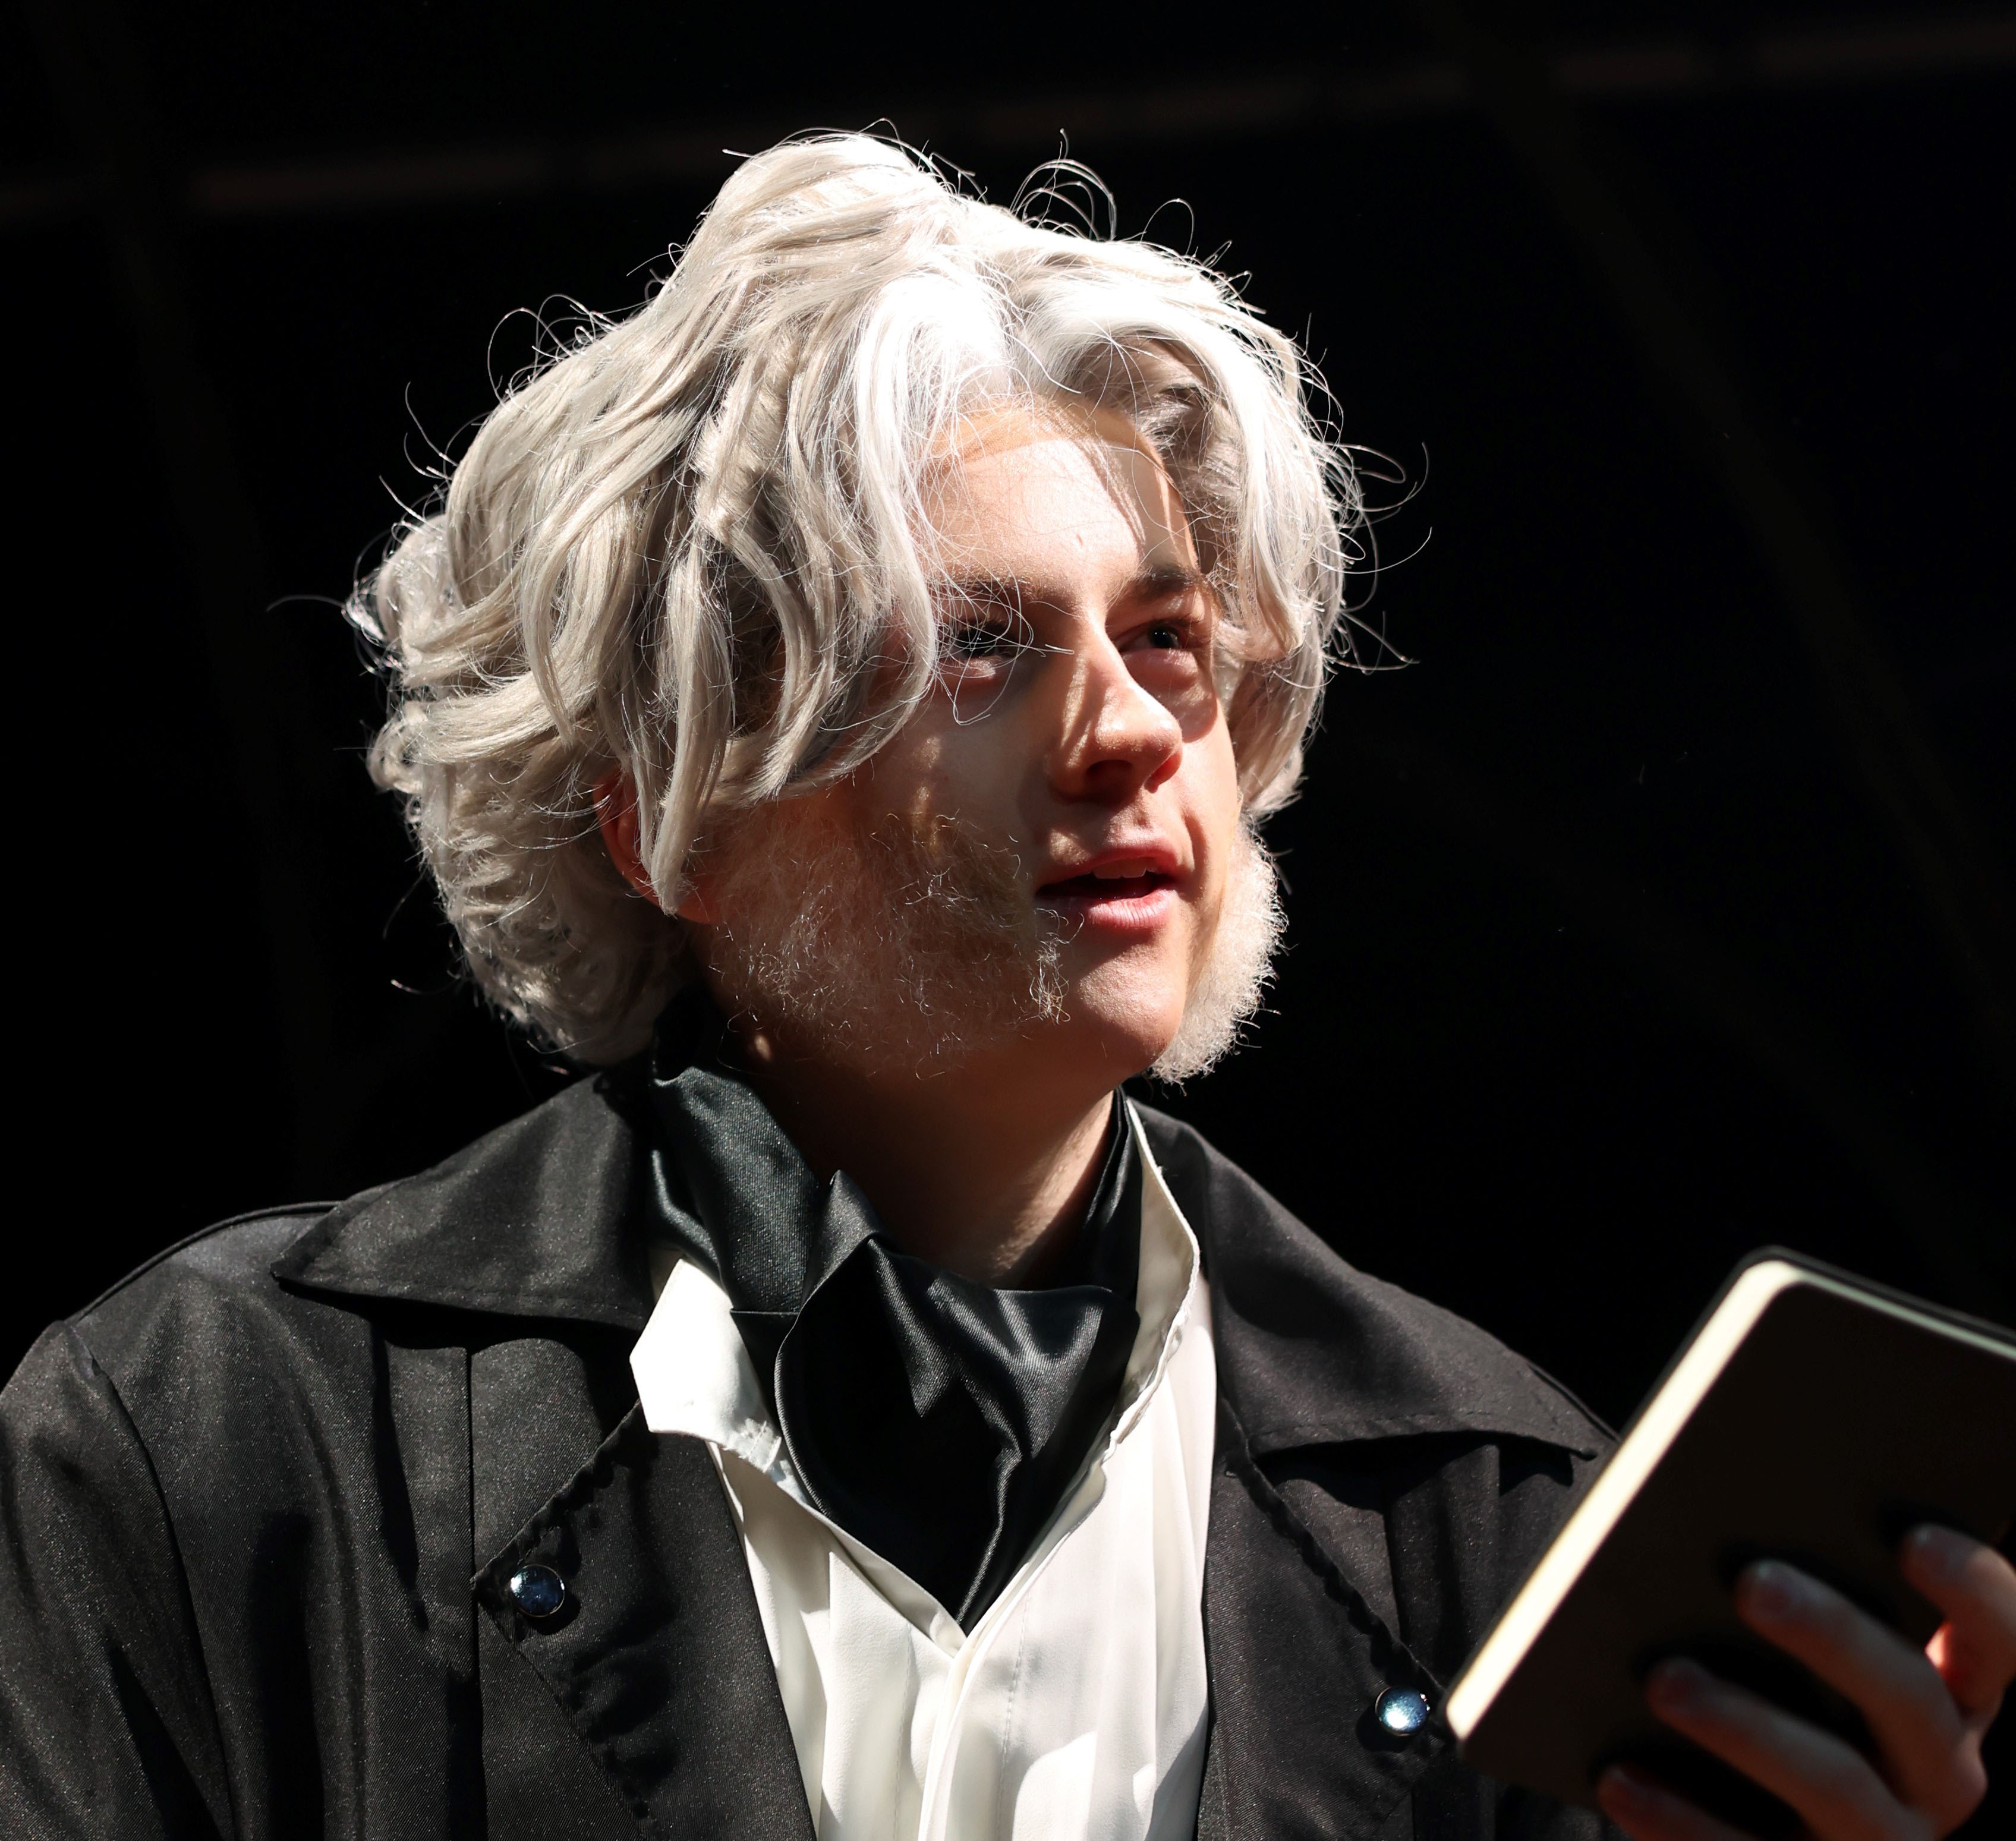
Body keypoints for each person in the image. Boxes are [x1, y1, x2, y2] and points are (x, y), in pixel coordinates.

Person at [1, 136, 2008, 1841]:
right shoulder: (209, 1448)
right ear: (664, 816)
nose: (1132, 731)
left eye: (1170, 639)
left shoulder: (1494, 1519)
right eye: (979, 644)